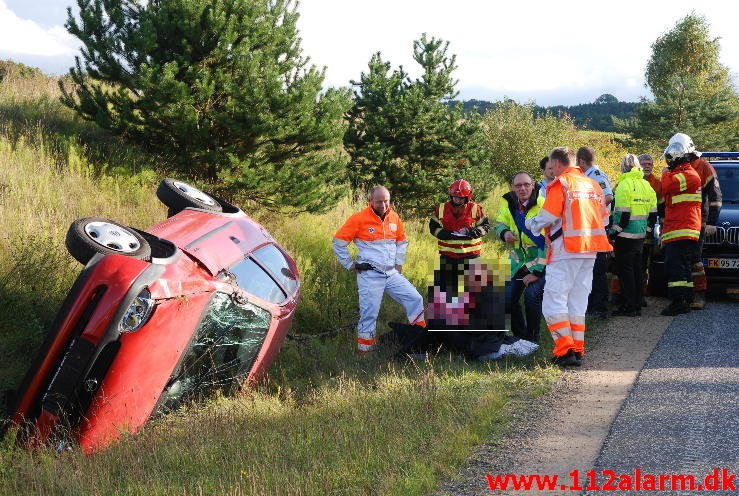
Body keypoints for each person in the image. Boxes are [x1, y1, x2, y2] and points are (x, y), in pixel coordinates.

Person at [526, 147, 611, 366]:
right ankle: (577, 349)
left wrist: (531, 224)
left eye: (552, 167)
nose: (551, 171)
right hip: (590, 250)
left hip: (566, 250)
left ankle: (564, 351)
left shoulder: (561, 183)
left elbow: (548, 216)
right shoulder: (592, 184)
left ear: (557, 164)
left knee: (553, 302)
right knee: (577, 301)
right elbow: (604, 219)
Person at [332, 186, 425, 354]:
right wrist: (349, 264)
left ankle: (419, 339)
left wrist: (399, 264)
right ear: (371, 201)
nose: (383, 205)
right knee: (369, 314)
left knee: (415, 299)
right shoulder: (358, 219)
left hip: (391, 273)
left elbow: (402, 242)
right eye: (379, 201)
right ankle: (365, 351)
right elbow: (338, 242)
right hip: (370, 275)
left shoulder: (394, 217)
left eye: (386, 201)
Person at [387, 260, 538, 360]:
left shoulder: (488, 299)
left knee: (437, 325)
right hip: (477, 341)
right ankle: (408, 349)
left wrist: (448, 312)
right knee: (434, 326)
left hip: (479, 347)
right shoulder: (488, 293)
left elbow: (472, 326)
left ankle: (404, 355)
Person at [666, 133, 722, 310]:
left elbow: (715, 196)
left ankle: (699, 293)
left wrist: (712, 221)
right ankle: (685, 295)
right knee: (683, 259)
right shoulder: (678, 165)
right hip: (680, 220)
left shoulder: (703, 166)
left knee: (694, 258)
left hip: (699, 220)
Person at [494, 171, 547, 343]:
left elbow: (549, 243)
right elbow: (500, 222)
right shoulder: (509, 202)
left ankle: (533, 338)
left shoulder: (543, 205)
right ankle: (520, 335)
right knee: (506, 298)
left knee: (531, 296)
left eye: (526, 184)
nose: (522, 188)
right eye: (518, 185)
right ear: (512, 187)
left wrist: (537, 273)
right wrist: (505, 233)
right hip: (517, 261)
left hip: (540, 263)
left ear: (533, 185)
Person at [609, 154, 657, 316]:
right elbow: (653, 215)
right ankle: (636, 305)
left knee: (625, 272)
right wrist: (647, 230)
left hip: (625, 236)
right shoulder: (646, 185)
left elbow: (622, 215)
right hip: (640, 236)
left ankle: (629, 306)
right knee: (637, 270)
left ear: (623, 167)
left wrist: (612, 233)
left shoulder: (623, 185)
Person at [658, 140, 703, 315]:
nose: (667, 162)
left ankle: (678, 302)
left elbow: (667, 186)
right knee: (682, 266)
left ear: (677, 157)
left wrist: (664, 174)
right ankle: (686, 299)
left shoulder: (689, 175)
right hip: (678, 227)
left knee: (675, 267)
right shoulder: (680, 173)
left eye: (669, 158)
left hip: (683, 228)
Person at [429, 179, 490, 293]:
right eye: (455, 197)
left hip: (470, 257)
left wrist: (471, 232)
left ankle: (469, 311)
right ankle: (445, 310)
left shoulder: (476, 209)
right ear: (450, 195)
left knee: (471, 293)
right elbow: (433, 227)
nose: (457, 200)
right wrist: (443, 233)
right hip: (447, 257)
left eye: (461, 198)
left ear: (467, 197)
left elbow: (485, 226)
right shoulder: (441, 209)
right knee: (445, 291)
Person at [576, 146, 613, 319]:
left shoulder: (596, 176)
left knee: (598, 270)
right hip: (591, 230)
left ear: (582, 161)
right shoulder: (588, 176)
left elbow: (608, 196)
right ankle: (591, 306)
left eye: (578, 162)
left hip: (597, 229)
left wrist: (591, 215)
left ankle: (599, 308)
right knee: (589, 269)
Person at [639, 153, 662, 303]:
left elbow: (662, 207)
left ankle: (643, 292)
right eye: (644, 164)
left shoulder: (657, 183)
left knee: (645, 262)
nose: (647, 166)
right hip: (632, 228)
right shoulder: (632, 181)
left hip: (650, 228)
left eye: (650, 164)